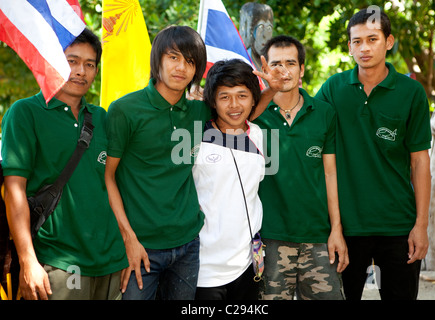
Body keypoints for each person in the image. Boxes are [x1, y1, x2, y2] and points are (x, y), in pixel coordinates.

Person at [104, 26, 283, 300]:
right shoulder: (124, 110)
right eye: (173, 57)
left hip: (188, 246)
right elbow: (108, 177)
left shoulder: (199, 113)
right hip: (142, 245)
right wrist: (128, 239)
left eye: (190, 61)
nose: (181, 67)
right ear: (157, 60)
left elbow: (238, 113)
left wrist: (271, 90)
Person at [1, 28, 128, 300]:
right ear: (53, 60)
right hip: (58, 264)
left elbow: (114, 182)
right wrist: (27, 261)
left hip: (113, 262)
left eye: (89, 64)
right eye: (72, 61)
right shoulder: (25, 113)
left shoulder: (102, 118)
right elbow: (14, 192)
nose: (81, 71)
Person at [316, 8, 431, 300]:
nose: (364, 48)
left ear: (389, 41)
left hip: (398, 225)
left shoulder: (411, 92)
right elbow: (304, 124)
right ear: (349, 46)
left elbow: (420, 162)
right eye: (356, 41)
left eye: (372, 39)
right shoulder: (333, 88)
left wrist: (421, 225)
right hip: (346, 227)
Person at [253, 35, 348, 300]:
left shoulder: (324, 113)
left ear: (302, 69)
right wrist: (267, 91)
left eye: (291, 63)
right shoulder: (253, 114)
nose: (283, 71)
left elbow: (330, 173)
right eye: (276, 64)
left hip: (317, 237)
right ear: (265, 68)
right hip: (269, 239)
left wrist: (336, 230)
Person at [193, 59, 265, 300]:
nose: (234, 105)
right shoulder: (195, 137)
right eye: (224, 97)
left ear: (254, 98)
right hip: (205, 267)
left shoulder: (257, 135)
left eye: (242, 95)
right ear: (212, 101)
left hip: (248, 264)